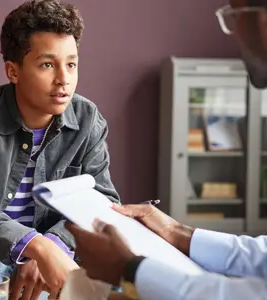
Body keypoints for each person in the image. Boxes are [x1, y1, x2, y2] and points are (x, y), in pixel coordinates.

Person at [67, 1, 267, 299]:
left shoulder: (88, 118)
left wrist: (130, 268)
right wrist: (178, 233)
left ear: (261, 21)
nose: (232, 33)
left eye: (235, 16)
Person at [0, 0, 120, 299]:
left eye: (71, 64)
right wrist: (34, 245)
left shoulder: (88, 120)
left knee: (125, 263)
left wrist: (53, 245)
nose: (63, 79)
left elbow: (103, 200)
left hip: (61, 248)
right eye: (47, 65)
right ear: (13, 71)